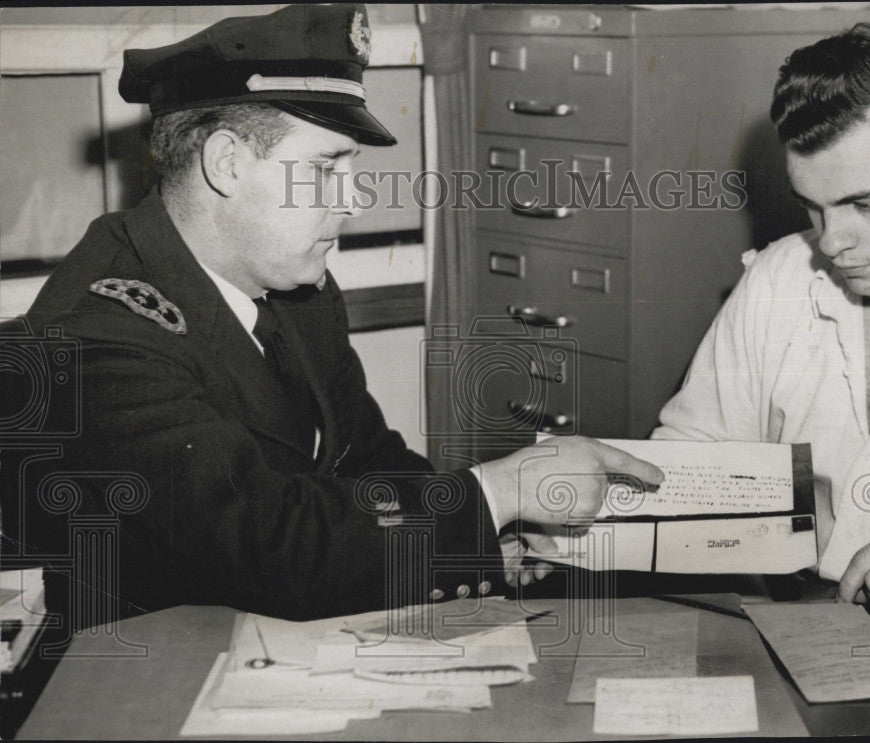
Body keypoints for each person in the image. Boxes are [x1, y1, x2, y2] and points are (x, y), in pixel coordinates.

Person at [1, 5, 661, 626]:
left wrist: (492, 535)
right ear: (226, 164)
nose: (353, 201)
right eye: (325, 168)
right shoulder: (94, 336)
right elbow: (267, 545)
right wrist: (494, 493)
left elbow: (364, 458)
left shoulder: (295, 286)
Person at [653, 23, 870, 621]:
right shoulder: (782, 278)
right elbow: (688, 466)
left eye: (863, 204)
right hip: (803, 626)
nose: (832, 241)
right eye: (812, 205)